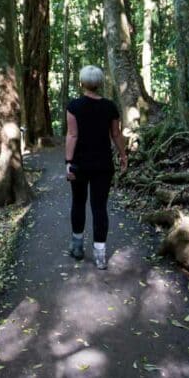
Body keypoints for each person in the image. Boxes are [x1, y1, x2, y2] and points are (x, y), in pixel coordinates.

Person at [64, 65, 128, 269]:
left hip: (80, 164)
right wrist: (123, 155)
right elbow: (116, 135)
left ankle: (77, 247)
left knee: (78, 202)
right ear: (100, 84)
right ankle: (100, 256)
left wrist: (68, 162)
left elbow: (72, 135)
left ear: (81, 83)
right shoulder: (110, 106)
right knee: (99, 207)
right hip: (103, 165)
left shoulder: (74, 106)